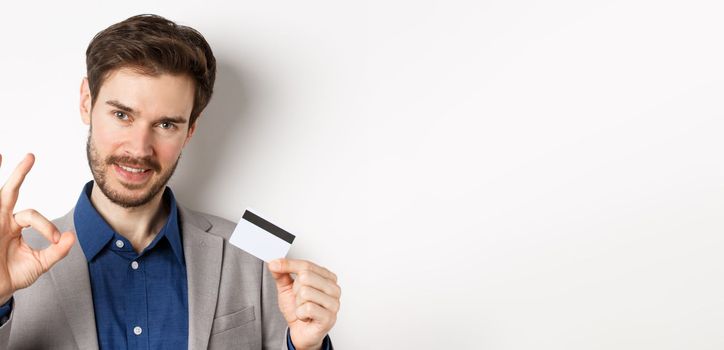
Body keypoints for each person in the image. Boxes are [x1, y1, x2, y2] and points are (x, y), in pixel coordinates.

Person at [0, 14, 340, 350]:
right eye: (122, 115)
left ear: (190, 129)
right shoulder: (12, 260)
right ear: (87, 102)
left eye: (166, 125)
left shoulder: (257, 250)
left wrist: (307, 348)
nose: (138, 148)